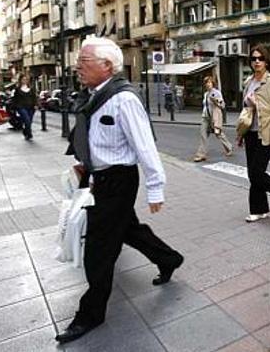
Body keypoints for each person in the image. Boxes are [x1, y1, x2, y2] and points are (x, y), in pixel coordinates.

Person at [56, 37, 183, 344]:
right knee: (127, 230)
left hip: (119, 181)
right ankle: (169, 259)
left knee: (99, 249)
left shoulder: (123, 99)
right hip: (99, 178)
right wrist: (86, 165)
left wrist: (156, 189)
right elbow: (98, 140)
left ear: (107, 66)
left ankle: (90, 314)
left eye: (84, 62)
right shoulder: (93, 96)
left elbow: (145, 147)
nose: (78, 67)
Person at [237, 45, 270, 223]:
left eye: (260, 58)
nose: (257, 62)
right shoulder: (248, 82)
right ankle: (259, 210)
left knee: (257, 171)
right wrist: (241, 134)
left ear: (266, 61)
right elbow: (245, 110)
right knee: (252, 174)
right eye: (253, 59)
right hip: (250, 134)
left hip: (267, 133)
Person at [193, 75, 233, 162]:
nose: (208, 84)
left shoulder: (217, 93)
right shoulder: (205, 94)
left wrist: (216, 101)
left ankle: (229, 147)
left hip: (213, 118)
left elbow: (223, 105)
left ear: (213, 84)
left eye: (209, 82)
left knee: (218, 134)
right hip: (205, 117)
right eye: (206, 83)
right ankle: (201, 154)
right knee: (203, 135)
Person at [12, 75, 38, 140]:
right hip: (21, 107)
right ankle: (29, 134)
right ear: (20, 80)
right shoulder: (17, 89)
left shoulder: (31, 89)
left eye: (26, 79)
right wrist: (15, 107)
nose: (25, 81)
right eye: (23, 79)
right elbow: (15, 99)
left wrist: (35, 105)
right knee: (27, 120)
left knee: (29, 121)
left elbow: (34, 97)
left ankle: (25, 132)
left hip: (31, 107)